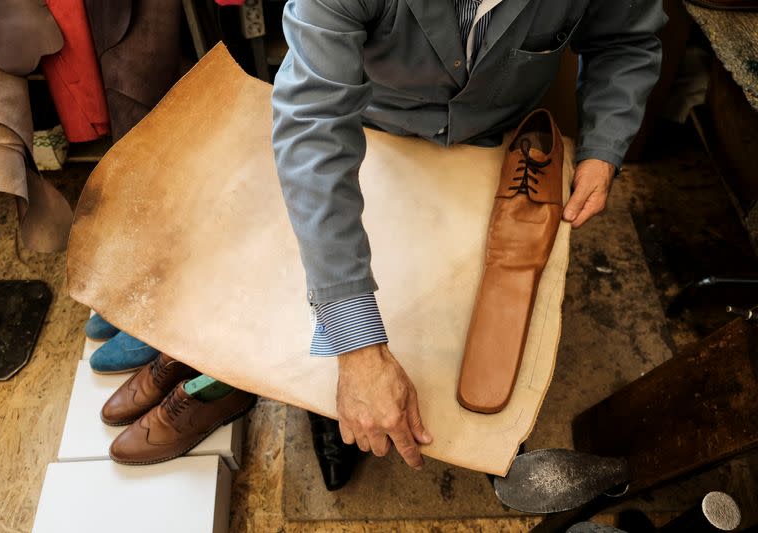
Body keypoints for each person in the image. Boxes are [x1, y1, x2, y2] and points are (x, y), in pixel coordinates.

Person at [271, 0, 665, 487]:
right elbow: (313, 134)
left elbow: (624, 42)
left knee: (485, 315)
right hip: (371, 130)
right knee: (331, 290)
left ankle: (484, 430)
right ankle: (333, 406)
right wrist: (357, 351)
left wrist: (604, 147)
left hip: (494, 138)